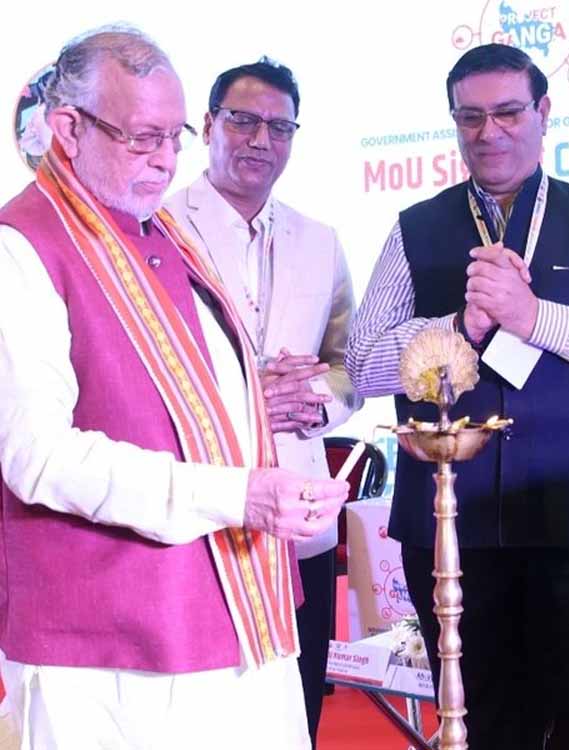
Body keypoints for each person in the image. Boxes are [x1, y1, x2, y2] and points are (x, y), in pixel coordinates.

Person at [0, 27, 348, 749]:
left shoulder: (159, 232)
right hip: (107, 642)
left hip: (236, 606)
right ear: (68, 128)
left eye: (173, 136)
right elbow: (39, 457)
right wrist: (238, 495)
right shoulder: (20, 246)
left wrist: (276, 481)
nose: (165, 158)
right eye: (141, 137)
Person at [346, 42, 569, 750]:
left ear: (544, 112)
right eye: (470, 117)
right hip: (450, 523)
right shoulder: (415, 227)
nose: (488, 132)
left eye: (508, 113)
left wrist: (535, 318)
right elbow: (363, 364)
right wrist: (457, 329)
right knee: (475, 721)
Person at [165, 56, 360, 749]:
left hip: (300, 508)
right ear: (208, 125)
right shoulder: (157, 227)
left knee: (298, 707)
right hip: (202, 508)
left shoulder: (319, 239)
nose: (260, 140)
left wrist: (314, 404)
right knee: (209, 715)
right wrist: (249, 396)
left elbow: (349, 361)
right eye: (243, 121)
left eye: (279, 128)